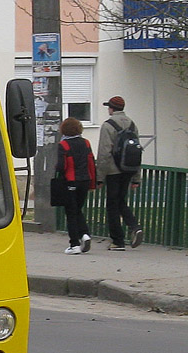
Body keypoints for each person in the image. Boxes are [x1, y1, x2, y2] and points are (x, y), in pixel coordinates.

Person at [96, 95, 143, 251]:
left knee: (112, 205)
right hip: (128, 170)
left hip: (112, 170)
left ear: (111, 108)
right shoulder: (132, 125)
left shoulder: (108, 125)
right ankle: (134, 226)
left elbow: (104, 153)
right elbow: (136, 152)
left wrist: (99, 177)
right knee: (120, 201)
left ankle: (118, 241)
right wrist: (136, 177)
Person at [56, 117, 95, 255]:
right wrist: (92, 182)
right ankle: (84, 234)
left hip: (71, 181)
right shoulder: (86, 143)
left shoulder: (64, 145)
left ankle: (74, 244)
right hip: (85, 180)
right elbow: (91, 163)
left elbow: (62, 166)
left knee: (71, 213)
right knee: (78, 209)